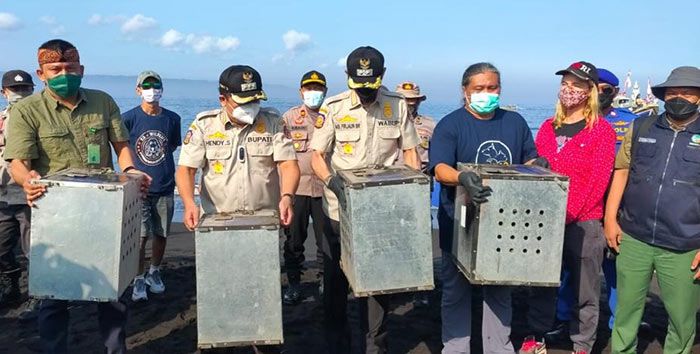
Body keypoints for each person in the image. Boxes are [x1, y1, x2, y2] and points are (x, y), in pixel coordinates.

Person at [4, 39, 150, 354]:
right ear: (41, 73)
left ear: (81, 69)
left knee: (113, 289)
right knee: (53, 296)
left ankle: (115, 349)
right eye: (55, 69)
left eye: (70, 68)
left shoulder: (103, 101)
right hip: (54, 213)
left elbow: (122, 146)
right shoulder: (28, 110)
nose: (63, 74)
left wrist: (132, 171)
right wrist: (26, 180)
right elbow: (17, 162)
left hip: (105, 209)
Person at [430, 62, 546, 354]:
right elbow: (439, 168)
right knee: (456, 292)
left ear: (500, 89)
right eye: (478, 89)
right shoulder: (450, 124)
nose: (486, 93)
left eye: (491, 88)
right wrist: (462, 177)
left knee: (499, 291)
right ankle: (456, 348)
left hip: (504, 224)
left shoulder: (515, 122)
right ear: (465, 91)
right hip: (459, 222)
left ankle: (499, 348)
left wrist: (538, 166)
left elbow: (528, 159)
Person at [310, 46, 420, 353]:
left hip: (380, 212)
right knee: (335, 284)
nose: (364, 93)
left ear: (381, 77)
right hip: (338, 210)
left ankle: (375, 345)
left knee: (377, 283)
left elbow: (410, 151)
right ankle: (338, 343)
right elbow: (316, 155)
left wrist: (411, 191)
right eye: (358, 86)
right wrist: (332, 181)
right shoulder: (333, 108)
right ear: (348, 78)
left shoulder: (396, 106)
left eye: (370, 86)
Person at [606, 66, 700, 354]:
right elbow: (621, 172)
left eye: (687, 92)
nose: (679, 97)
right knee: (625, 311)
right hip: (634, 236)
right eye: (673, 92)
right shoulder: (642, 127)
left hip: (685, 244)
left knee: (682, 319)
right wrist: (610, 219)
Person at [545, 68, 640, 341]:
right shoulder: (560, 122)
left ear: (615, 92)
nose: (600, 93)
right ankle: (563, 317)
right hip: (580, 206)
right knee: (567, 269)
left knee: (613, 268)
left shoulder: (627, 122)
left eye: (606, 89)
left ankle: (617, 320)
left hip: (618, 204)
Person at [533, 61, 616, 354]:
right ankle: (537, 337)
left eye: (577, 85)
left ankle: (582, 344)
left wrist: (569, 215)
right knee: (540, 285)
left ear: (589, 92)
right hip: (544, 220)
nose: (569, 90)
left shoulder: (602, 131)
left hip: (584, 221)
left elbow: (599, 182)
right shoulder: (546, 127)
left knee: (585, 289)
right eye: (565, 84)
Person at [122, 70, 182, 302]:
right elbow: (123, 149)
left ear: (162, 90)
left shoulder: (172, 119)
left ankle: (154, 271)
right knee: (140, 236)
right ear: (138, 90)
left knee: (161, 233)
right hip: (139, 189)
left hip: (165, 185)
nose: (152, 90)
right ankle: (138, 276)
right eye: (146, 86)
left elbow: (173, 146)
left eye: (156, 86)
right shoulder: (129, 118)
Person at [281, 70, 327, 305]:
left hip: (324, 190)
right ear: (301, 92)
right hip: (297, 190)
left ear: (325, 91)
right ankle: (294, 284)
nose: (313, 93)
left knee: (325, 240)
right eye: (309, 89)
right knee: (293, 241)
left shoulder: (333, 115)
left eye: (317, 89)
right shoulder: (289, 118)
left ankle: (324, 281)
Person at [0, 70, 34, 311]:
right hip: (3, 195)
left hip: (30, 195)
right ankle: (11, 286)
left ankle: (37, 296)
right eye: (15, 90)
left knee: (35, 250)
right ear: (4, 92)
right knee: (1, 247)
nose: (20, 94)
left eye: (25, 89)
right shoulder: (2, 119)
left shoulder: (37, 118)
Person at [395, 81, 435, 170]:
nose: (410, 103)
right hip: (393, 175)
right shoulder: (386, 123)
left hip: (422, 175)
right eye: (406, 99)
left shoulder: (429, 124)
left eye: (413, 99)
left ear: (419, 101)